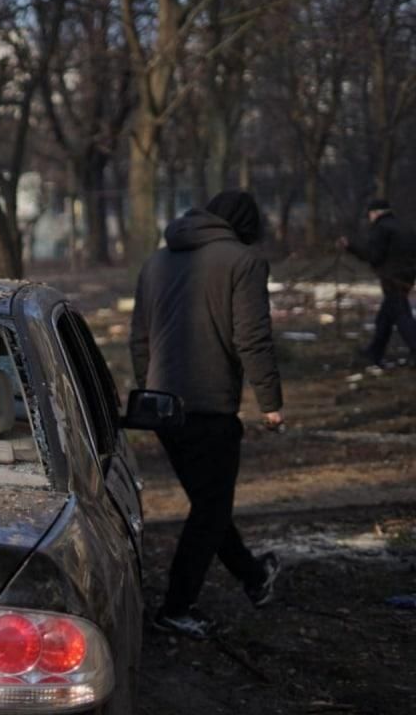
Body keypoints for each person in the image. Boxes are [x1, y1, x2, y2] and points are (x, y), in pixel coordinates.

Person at [130, 190, 283, 639]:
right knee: (211, 510)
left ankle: (254, 577)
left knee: (209, 505)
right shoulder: (244, 261)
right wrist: (270, 403)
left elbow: (140, 338)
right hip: (209, 407)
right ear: (246, 225)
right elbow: (252, 337)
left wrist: (150, 391)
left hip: (164, 408)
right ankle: (176, 607)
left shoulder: (155, 262)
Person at [337, 200, 416, 367]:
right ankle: (374, 353)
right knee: (385, 318)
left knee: (402, 316)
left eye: (370, 215)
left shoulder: (381, 228)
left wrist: (350, 246)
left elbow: (373, 255)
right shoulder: (403, 225)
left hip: (392, 278)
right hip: (407, 277)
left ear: (375, 213)